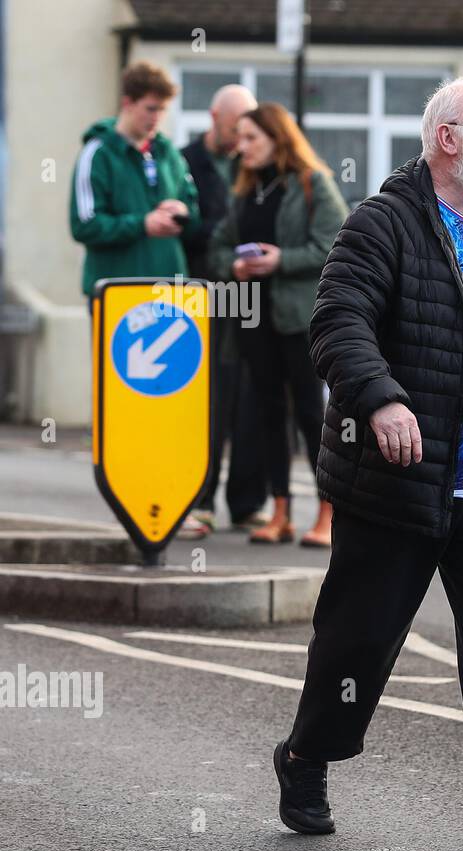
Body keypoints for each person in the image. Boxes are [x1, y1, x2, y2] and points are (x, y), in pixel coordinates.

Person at [273, 76, 463, 851]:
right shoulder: (386, 223)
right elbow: (337, 320)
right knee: (359, 640)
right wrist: (379, 400)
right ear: (449, 138)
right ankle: (307, 758)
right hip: (399, 479)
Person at [208, 103, 346, 547]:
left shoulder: (312, 184)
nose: (241, 147)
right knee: (268, 413)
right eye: (240, 138)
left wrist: (279, 260)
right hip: (253, 317)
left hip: (300, 320)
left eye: (251, 138)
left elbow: (334, 245)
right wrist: (235, 265)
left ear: (277, 139)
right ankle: (280, 511)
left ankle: (327, 512)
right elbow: (218, 246)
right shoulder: (245, 190)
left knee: (311, 414)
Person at [178, 84, 267, 540]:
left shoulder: (249, 165)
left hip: (247, 295)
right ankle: (200, 499)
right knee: (207, 399)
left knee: (250, 396)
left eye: (247, 130)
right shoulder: (184, 160)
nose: (241, 139)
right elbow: (189, 230)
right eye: (235, 128)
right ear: (214, 117)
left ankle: (247, 502)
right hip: (201, 294)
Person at [70, 61, 199, 297]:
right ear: (127, 102)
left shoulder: (169, 152)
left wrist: (182, 212)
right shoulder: (98, 153)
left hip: (168, 290)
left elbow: (193, 212)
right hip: (117, 292)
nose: (157, 118)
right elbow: (85, 225)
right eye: (151, 109)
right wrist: (143, 224)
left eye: (163, 110)